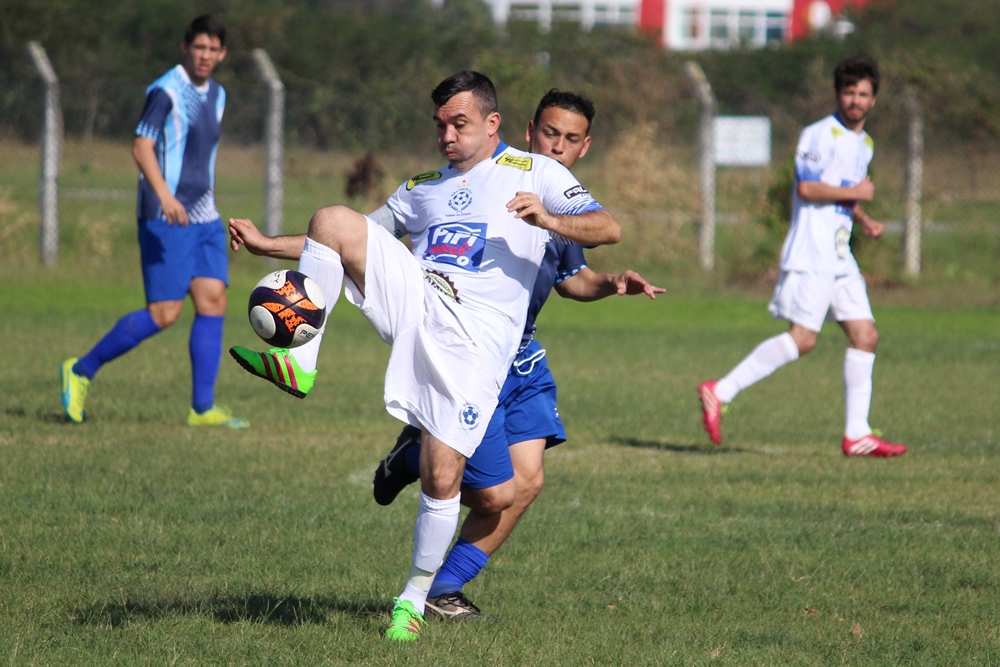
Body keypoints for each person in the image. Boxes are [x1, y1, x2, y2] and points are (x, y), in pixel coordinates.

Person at [225, 72, 621, 640]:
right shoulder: (423, 186)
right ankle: (300, 363)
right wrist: (269, 244)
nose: (447, 136)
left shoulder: (539, 171)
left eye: (459, 124)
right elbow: (347, 242)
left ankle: (413, 599)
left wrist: (549, 219)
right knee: (332, 220)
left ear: (493, 123)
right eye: (440, 125)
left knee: (450, 478)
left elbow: (608, 227)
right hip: (420, 298)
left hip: (476, 339)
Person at [371, 90, 664, 622]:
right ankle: (411, 457)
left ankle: (442, 590)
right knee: (492, 493)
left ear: (585, 147)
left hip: (523, 356)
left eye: (571, 139)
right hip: (475, 353)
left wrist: (610, 283)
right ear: (529, 132)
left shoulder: (558, 203)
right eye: (550, 134)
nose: (558, 147)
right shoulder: (498, 184)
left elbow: (573, 280)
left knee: (528, 482)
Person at [698, 56, 905, 458]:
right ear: (837, 94)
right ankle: (720, 391)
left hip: (839, 255)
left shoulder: (865, 144)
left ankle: (857, 434)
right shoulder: (819, 134)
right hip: (812, 253)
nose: (856, 100)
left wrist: (863, 218)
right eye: (849, 92)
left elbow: (841, 192)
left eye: (863, 94)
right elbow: (808, 189)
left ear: (874, 99)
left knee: (866, 336)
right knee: (804, 338)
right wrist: (857, 194)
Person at [60, 15, 247, 430]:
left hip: (204, 214)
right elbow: (142, 146)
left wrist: (209, 195)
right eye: (199, 47)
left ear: (222, 54)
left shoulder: (218, 94)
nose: (205, 55)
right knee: (164, 313)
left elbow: (201, 154)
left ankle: (202, 409)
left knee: (213, 300)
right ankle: (80, 370)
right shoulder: (166, 90)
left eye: (213, 49)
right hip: (166, 214)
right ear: (185, 48)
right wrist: (164, 194)